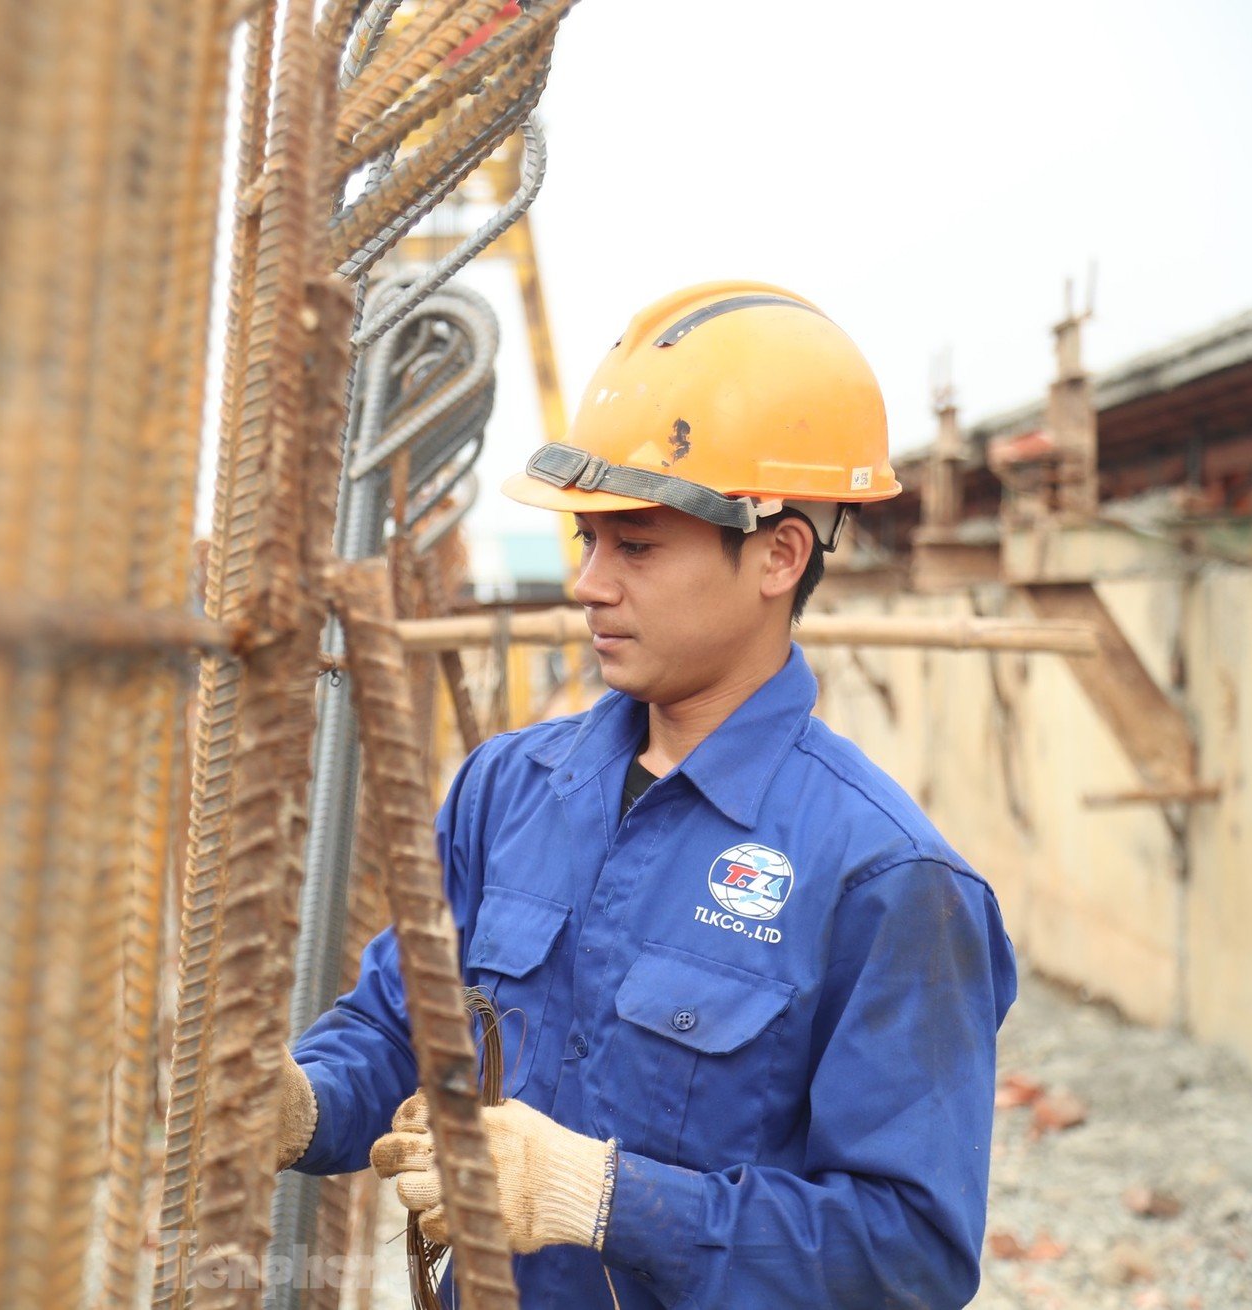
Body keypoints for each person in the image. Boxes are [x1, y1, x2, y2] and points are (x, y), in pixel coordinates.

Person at [272, 281, 1019, 1308]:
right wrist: (297, 1102)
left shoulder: (887, 877)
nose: (586, 580)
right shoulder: (507, 789)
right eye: (587, 539)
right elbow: (403, 1023)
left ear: (777, 554)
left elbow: (908, 1254)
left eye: (636, 544)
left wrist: (598, 1197)